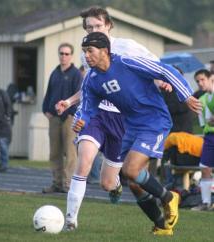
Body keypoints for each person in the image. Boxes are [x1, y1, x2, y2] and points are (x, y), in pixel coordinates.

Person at [73, 32, 201, 235]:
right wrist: (81, 121)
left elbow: (165, 71)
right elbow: (88, 108)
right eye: (84, 52)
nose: (86, 56)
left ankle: (169, 197)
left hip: (154, 121)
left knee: (131, 170)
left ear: (105, 51)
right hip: (130, 126)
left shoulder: (127, 62)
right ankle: (162, 225)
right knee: (131, 183)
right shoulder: (91, 79)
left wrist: (185, 95)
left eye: (90, 51)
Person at [56, 6, 171, 231]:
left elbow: (155, 67)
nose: (93, 30)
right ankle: (70, 220)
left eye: (97, 26)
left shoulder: (127, 47)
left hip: (125, 120)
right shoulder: (86, 52)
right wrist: (69, 102)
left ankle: (155, 212)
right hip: (98, 116)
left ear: (108, 24)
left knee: (113, 182)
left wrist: (161, 81)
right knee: (84, 161)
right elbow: (91, 88)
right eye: (88, 27)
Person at [42, 43, 82, 193]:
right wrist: (45, 110)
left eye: (66, 54)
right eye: (61, 53)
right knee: (54, 152)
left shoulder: (76, 74)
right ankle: (57, 182)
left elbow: (80, 97)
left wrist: (71, 113)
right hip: (54, 117)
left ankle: (68, 184)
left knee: (70, 152)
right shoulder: (55, 73)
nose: (63, 56)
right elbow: (49, 94)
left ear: (71, 56)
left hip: (69, 118)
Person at [191, 73, 214, 211]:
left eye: (203, 79)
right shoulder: (202, 99)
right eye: (197, 81)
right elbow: (203, 123)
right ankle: (206, 203)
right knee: (204, 167)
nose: (200, 83)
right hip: (209, 137)